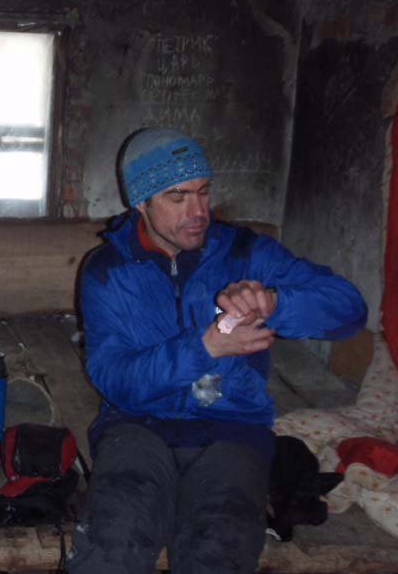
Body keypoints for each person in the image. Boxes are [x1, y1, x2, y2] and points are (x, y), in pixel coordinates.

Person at [67, 127, 367, 574]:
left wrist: (274, 302)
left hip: (233, 428)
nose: (198, 212)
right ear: (140, 202)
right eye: (177, 196)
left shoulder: (246, 252)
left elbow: (349, 309)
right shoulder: (107, 270)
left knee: (220, 549)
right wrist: (205, 347)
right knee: (114, 540)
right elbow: (117, 380)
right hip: (136, 425)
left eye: (204, 191)